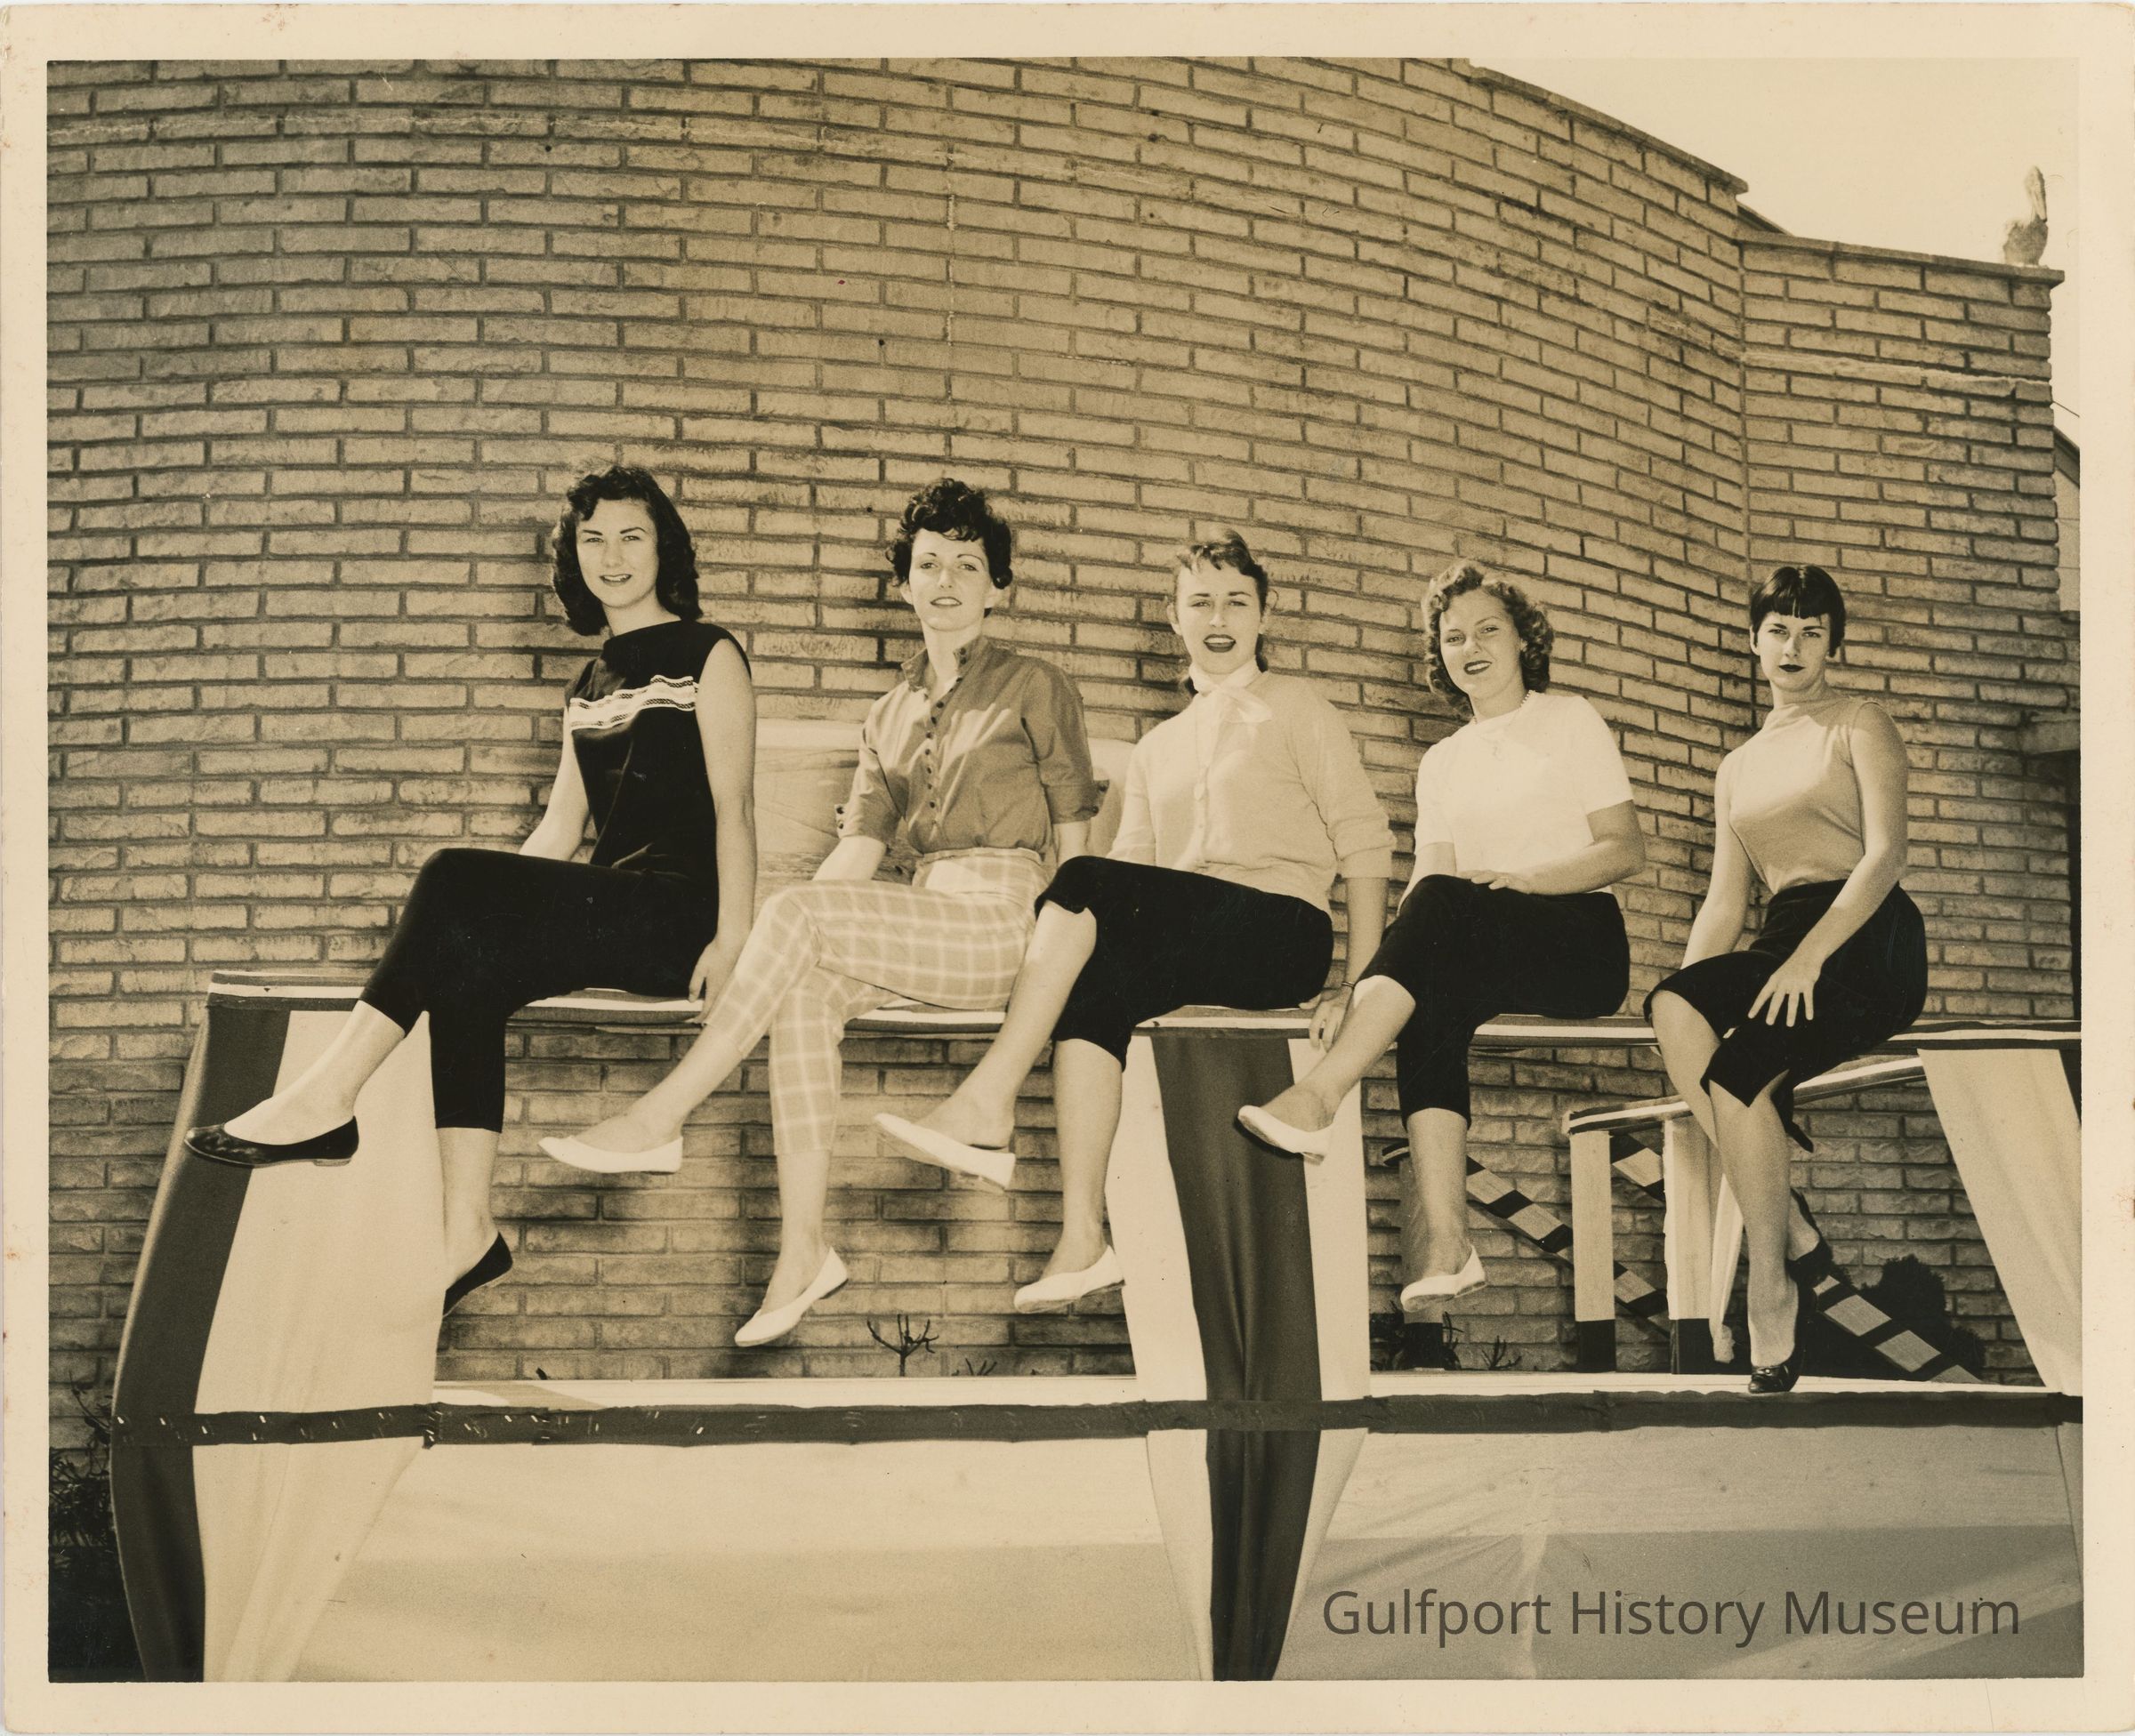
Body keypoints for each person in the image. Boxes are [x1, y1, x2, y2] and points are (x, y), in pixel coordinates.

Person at [183, 465, 759, 1317]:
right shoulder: (587, 687)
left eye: (632, 536)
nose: (612, 557)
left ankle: (329, 1096)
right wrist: (481, 919)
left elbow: (735, 809)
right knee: (467, 969)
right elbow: (558, 833)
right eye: (593, 540)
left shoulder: (710, 653)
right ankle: (468, 1234)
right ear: (575, 558)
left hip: (682, 917)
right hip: (615, 909)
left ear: (663, 549)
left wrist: (734, 939)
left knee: (453, 875)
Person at [540, 478, 1100, 1346]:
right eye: (928, 565)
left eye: (968, 565)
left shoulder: (1036, 684)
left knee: (800, 917)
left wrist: (1059, 977)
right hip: (926, 925)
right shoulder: (888, 715)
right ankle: (804, 1250)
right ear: (904, 586)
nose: (946, 581)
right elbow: (857, 858)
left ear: (999, 588)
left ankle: (664, 1112)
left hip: (1009, 924)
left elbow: (1078, 851)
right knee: (804, 986)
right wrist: (786, 939)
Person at [876, 532, 1394, 1311]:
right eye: (1199, 603)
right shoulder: (1158, 747)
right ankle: (1083, 1239)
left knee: (1084, 878)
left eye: (1236, 603)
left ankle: (988, 1097)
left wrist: (1357, 985)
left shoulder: (1298, 706)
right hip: (1197, 937)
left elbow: (1366, 845)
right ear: (1174, 618)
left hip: (1282, 933)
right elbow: (1133, 876)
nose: (1218, 619)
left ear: (1264, 615)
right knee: (1095, 990)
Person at [1236, 562, 1646, 1364]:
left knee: (1445, 907)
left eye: (1488, 629)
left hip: (1578, 939)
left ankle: (1321, 1094)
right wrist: (1359, 987)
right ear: (1440, 656)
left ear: (1524, 640)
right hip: (1482, 936)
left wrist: (1528, 879)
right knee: (1427, 993)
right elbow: (1426, 892)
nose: (1471, 647)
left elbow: (1625, 848)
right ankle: (1450, 1246)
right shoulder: (1443, 761)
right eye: (1453, 637)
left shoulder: (1568, 719)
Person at [1644, 563, 1923, 1394]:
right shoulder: (1738, 765)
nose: (1793, 646)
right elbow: (1725, 901)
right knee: (1672, 1003)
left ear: (1833, 644)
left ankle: (1770, 1286)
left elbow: (1887, 855)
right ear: (1753, 642)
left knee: (1738, 1077)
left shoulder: (1860, 722)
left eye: (1811, 631)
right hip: (1783, 936)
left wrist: (1812, 957)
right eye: (1778, 630)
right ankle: (1791, 1221)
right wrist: (1684, 1012)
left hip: (1866, 935)